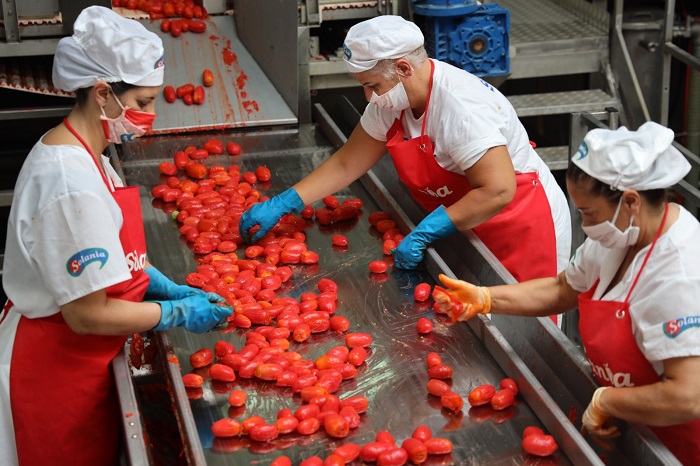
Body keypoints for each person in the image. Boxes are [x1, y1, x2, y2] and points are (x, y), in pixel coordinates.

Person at [0, 7, 230, 466]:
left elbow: (107, 254)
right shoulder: (67, 182)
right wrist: (174, 312)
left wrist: (151, 277)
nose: (150, 114)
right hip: (54, 374)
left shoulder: (88, 152)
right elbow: (86, 316)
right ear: (103, 93)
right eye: (142, 102)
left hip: (80, 363)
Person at [435, 122, 700, 465]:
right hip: (631, 432)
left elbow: (687, 397)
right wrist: (486, 297)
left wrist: (608, 401)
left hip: (679, 447)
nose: (585, 224)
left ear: (631, 202)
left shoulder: (679, 272)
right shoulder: (619, 236)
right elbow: (563, 289)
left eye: (589, 213)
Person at [240, 15, 571, 285]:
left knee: (528, 335)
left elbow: (498, 189)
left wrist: (426, 231)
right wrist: (286, 201)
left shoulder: (462, 109)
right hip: (466, 220)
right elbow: (346, 164)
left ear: (403, 68)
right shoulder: (392, 99)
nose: (369, 97)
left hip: (521, 225)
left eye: (373, 86)